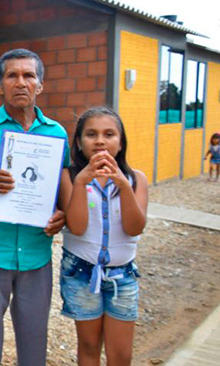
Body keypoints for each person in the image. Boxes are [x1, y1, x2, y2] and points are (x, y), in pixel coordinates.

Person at [0, 48, 68, 366]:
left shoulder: (56, 133)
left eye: (28, 75)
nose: (21, 82)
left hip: (37, 253)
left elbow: (61, 190)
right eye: (12, 75)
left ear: (40, 85)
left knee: (34, 343)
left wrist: (62, 213)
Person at [58, 107, 148, 365]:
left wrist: (121, 184)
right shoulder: (70, 176)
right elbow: (76, 227)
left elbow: (135, 227)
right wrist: (81, 183)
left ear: (120, 143)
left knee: (121, 355)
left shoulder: (135, 179)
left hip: (123, 276)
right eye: (91, 134)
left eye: (109, 134)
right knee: (88, 346)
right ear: (79, 142)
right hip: (80, 273)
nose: (100, 140)